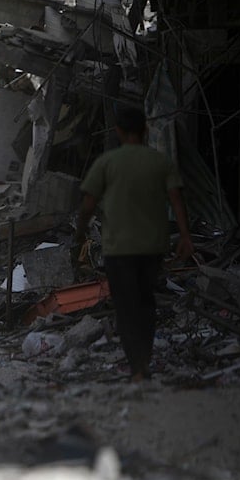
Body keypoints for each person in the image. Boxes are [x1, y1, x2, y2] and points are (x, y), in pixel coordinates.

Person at [74, 105, 193, 383]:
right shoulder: (160, 162)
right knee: (146, 303)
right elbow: (177, 200)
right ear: (145, 130)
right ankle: (144, 361)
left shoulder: (107, 162)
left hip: (119, 249)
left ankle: (137, 367)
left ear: (117, 131)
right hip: (152, 247)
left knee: (126, 308)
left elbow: (88, 205)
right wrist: (186, 237)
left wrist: (79, 233)